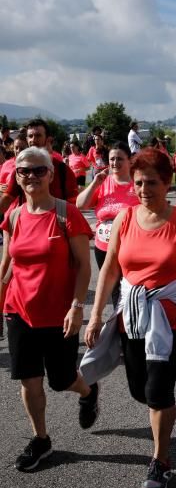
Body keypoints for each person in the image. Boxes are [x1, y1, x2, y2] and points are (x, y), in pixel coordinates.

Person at [82, 148, 176, 488]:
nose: (144, 189)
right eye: (138, 183)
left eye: (152, 182)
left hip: (172, 319)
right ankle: (158, 423)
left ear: (167, 182)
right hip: (133, 316)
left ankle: (160, 461)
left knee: (157, 391)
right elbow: (109, 271)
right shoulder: (125, 218)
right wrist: (95, 317)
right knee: (139, 390)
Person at [0, 147, 97, 471]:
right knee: (29, 380)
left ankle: (87, 391)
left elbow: (84, 266)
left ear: (51, 175)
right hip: (19, 310)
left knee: (62, 379)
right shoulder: (14, 215)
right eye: (24, 171)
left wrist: (77, 306)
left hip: (59, 314)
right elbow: (7, 267)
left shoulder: (66, 213)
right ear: (17, 176)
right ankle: (41, 439)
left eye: (38, 170)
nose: (31, 176)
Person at [76, 142, 139, 306]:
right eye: (112, 159)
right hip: (103, 247)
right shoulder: (103, 182)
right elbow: (80, 205)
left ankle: (130, 322)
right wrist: (95, 183)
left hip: (130, 247)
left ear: (130, 160)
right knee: (113, 288)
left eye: (119, 159)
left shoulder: (137, 184)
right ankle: (119, 325)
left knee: (129, 287)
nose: (114, 163)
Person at [0, 119, 78, 212]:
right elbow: (7, 200)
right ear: (26, 140)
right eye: (30, 136)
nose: (33, 139)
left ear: (48, 139)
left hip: (56, 224)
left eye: (38, 135)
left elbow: (74, 205)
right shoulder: (21, 170)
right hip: (27, 224)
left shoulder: (63, 170)